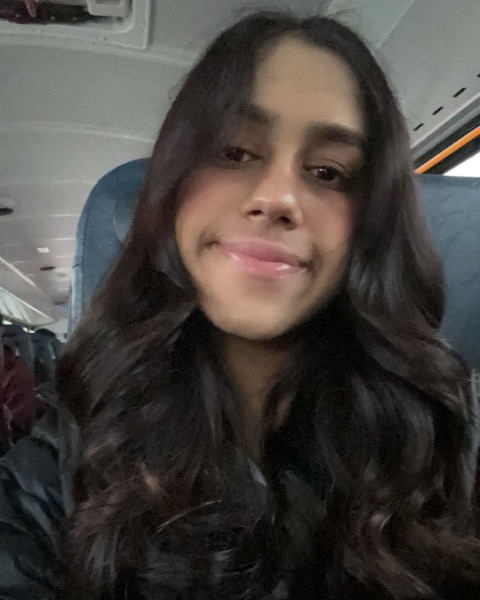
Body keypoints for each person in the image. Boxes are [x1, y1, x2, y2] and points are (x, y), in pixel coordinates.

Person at [0, 10, 479, 600]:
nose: (277, 198)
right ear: (174, 189)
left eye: (327, 172)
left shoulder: (439, 435)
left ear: (368, 226)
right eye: (233, 152)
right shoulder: (71, 454)